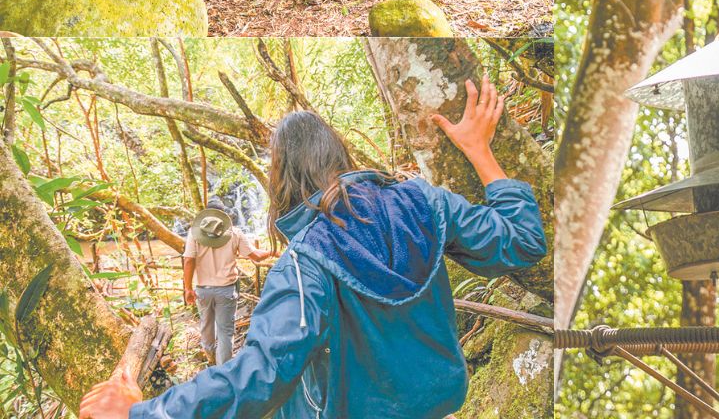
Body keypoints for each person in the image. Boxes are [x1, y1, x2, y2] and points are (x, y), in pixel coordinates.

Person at [80, 77, 546, 419]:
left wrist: (140, 414)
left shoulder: (305, 265)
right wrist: (479, 151)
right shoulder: (423, 200)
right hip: (435, 403)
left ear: (281, 178)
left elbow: (261, 373)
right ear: (341, 154)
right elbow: (523, 240)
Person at [183, 200, 274, 365]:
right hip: (226, 290)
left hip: (203, 289)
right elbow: (256, 256)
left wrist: (187, 288)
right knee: (225, 332)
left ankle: (210, 358)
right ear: (223, 217)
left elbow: (189, 261)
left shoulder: (193, 234)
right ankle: (223, 371)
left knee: (206, 325)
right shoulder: (234, 233)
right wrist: (273, 251)